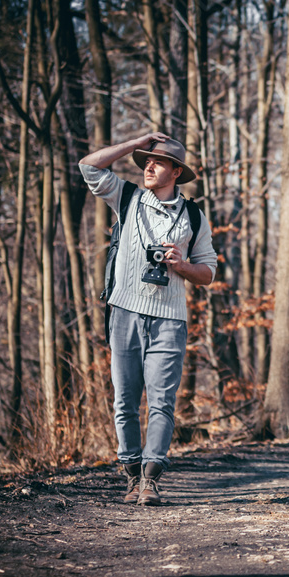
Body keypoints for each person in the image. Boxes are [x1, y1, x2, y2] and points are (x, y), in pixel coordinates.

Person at [79, 132, 217, 505]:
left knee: (162, 402)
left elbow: (209, 272)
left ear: (176, 171)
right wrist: (135, 142)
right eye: (145, 161)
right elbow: (88, 166)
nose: (148, 167)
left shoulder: (193, 215)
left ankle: (151, 479)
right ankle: (129, 474)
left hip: (170, 318)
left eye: (156, 162)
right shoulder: (126, 197)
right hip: (124, 311)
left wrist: (182, 265)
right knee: (124, 400)